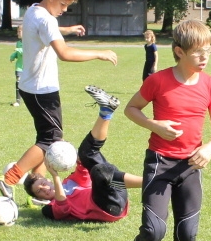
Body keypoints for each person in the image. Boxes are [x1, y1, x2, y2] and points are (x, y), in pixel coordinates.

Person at [120, 19, 211, 241]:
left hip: (191, 166)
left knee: (187, 235)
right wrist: (153, 124)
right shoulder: (158, 81)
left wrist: (210, 148)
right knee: (153, 231)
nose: (205, 57)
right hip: (160, 163)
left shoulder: (210, 85)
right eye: (198, 52)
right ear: (179, 51)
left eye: (209, 50)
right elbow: (131, 109)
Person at [0, 0, 118, 196]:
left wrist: (67, 29)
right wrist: (99, 53)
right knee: (51, 140)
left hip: (31, 86)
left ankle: (38, 181)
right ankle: (9, 179)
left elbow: (42, 28)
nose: (64, 9)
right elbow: (65, 54)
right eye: (62, 4)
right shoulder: (47, 21)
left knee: (50, 137)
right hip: (41, 89)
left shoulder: (34, 11)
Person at [22, 86, 143, 222]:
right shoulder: (50, 207)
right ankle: (151, 182)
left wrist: (65, 150)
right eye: (39, 191)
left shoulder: (70, 182)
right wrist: (55, 176)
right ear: (40, 199)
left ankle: (106, 111)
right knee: (100, 172)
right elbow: (62, 208)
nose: (44, 189)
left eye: (43, 183)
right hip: (107, 207)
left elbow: (83, 168)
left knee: (87, 153)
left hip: (114, 193)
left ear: (47, 181)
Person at [9, 38, 23, 106]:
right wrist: (12, 56)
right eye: (18, 31)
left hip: (28, 67)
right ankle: (18, 101)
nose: (18, 33)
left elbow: (27, 53)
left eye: (20, 31)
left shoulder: (29, 41)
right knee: (18, 82)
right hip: (19, 67)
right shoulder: (18, 43)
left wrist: (19, 49)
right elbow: (17, 54)